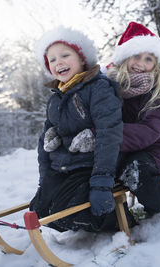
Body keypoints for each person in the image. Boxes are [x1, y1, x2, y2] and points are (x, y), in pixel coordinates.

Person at [29, 26, 135, 232]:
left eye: (65, 55)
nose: (58, 62)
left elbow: (109, 133)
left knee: (65, 212)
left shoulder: (98, 88)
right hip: (63, 168)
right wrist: (45, 179)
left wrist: (102, 183)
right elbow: (44, 144)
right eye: (51, 59)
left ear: (82, 59)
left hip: (91, 166)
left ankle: (118, 220)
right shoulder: (55, 99)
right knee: (40, 210)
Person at [106, 21, 160, 219]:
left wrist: (109, 135)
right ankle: (112, 218)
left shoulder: (159, 90)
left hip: (153, 150)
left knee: (137, 169)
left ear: (156, 64)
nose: (141, 63)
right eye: (136, 56)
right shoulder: (110, 86)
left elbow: (150, 130)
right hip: (118, 148)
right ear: (125, 58)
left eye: (148, 59)